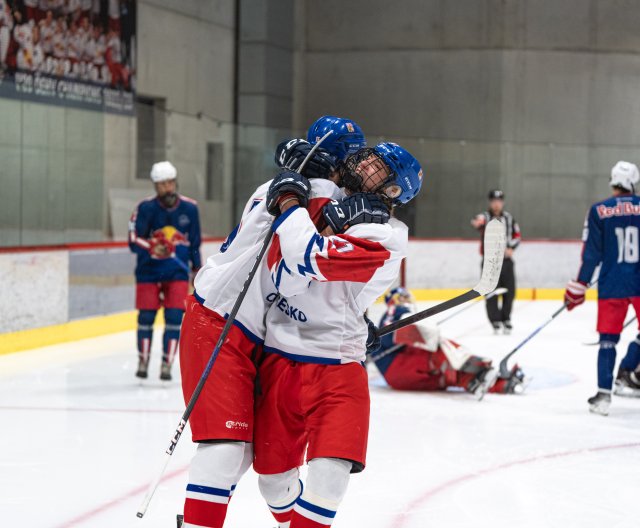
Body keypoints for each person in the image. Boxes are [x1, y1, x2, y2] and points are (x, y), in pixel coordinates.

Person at [178, 117, 366, 528]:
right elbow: (311, 257)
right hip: (219, 321)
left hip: (258, 334)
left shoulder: (291, 185)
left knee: (249, 456)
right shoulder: (308, 193)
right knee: (226, 448)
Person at [253, 143, 422, 528]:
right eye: (367, 156)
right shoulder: (327, 196)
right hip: (279, 355)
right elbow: (284, 278)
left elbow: (302, 264)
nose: (363, 162)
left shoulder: (389, 235)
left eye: (377, 166)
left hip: (336, 366)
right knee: (273, 486)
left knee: (329, 478)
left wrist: (301, 208)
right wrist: (327, 213)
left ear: (393, 190)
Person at [564, 161, 640, 415]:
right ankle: (629, 367)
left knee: (608, 341)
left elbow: (591, 254)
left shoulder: (599, 211)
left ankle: (603, 397)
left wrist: (579, 286)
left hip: (612, 283)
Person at [370, 288, 527, 396]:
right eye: (403, 298)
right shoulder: (394, 311)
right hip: (397, 367)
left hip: (400, 379)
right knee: (439, 348)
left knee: (451, 376)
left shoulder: (391, 317)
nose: (406, 301)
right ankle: (473, 363)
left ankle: (500, 384)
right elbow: (395, 334)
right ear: (393, 301)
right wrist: (423, 330)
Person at [128, 161, 201, 381]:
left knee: (173, 317)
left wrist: (197, 270)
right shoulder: (144, 208)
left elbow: (195, 243)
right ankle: (143, 361)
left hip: (177, 274)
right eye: (161, 184)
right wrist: (152, 246)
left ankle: (166, 365)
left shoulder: (190, 208)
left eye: (170, 183)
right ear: (155, 185)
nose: (166, 188)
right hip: (148, 272)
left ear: (175, 182)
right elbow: (133, 240)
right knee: (146, 317)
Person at [471, 189, 521, 334]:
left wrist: (511, 247)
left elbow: (517, 235)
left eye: (499, 201)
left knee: (509, 291)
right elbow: (476, 220)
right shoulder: (486, 217)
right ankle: (496, 321)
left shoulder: (509, 218)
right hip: (490, 262)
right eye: (494, 201)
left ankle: (506, 318)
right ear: (490, 202)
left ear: (502, 202)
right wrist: (477, 222)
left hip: (506, 261)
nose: (496, 204)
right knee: (490, 292)